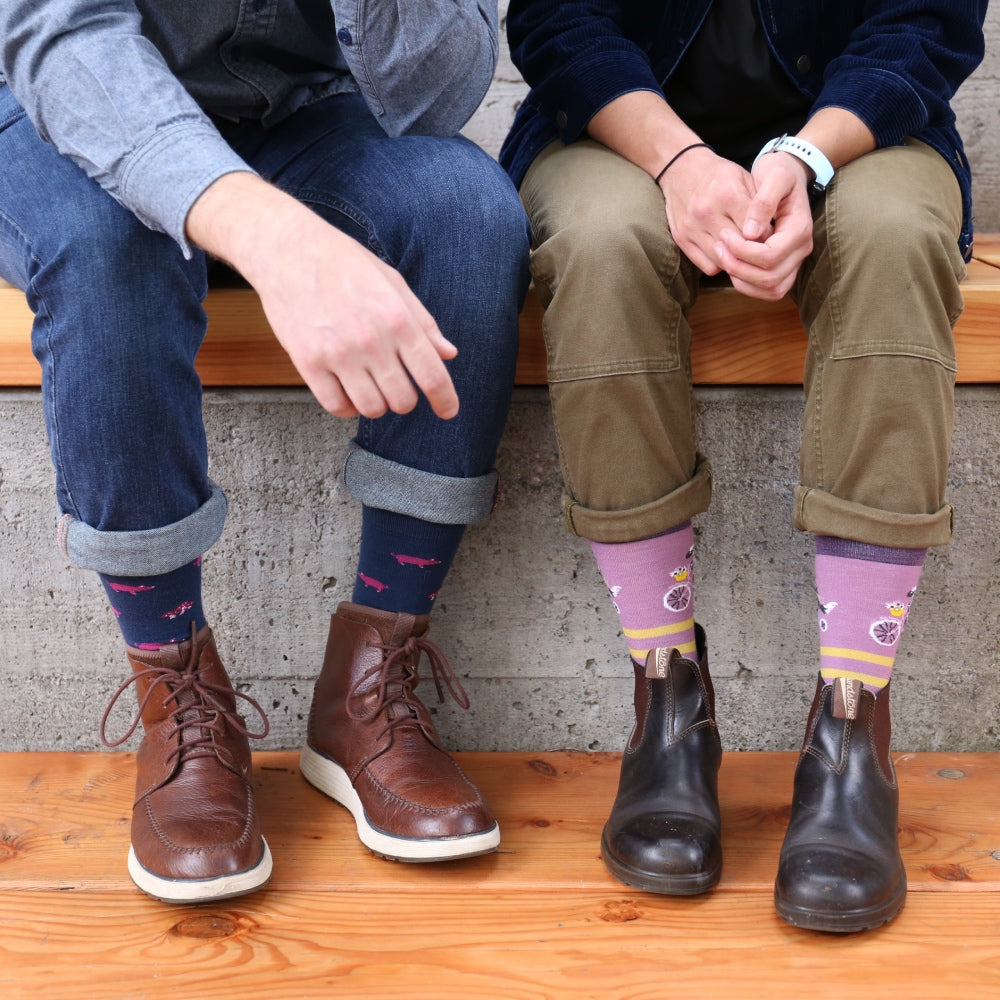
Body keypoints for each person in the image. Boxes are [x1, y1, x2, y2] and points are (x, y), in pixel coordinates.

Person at [0, 1, 530, 904]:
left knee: (467, 212)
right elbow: (62, 36)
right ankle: (177, 690)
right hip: (61, 107)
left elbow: (432, 100)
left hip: (294, 110)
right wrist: (271, 234)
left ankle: (366, 684)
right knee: (109, 254)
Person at [501, 1, 986, 932]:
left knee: (894, 240)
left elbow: (929, 19)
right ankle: (667, 706)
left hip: (864, 137)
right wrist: (679, 163)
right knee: (601, 246)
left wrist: (803, 157)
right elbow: (560, 20)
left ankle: (853, 728)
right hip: (614, 133)